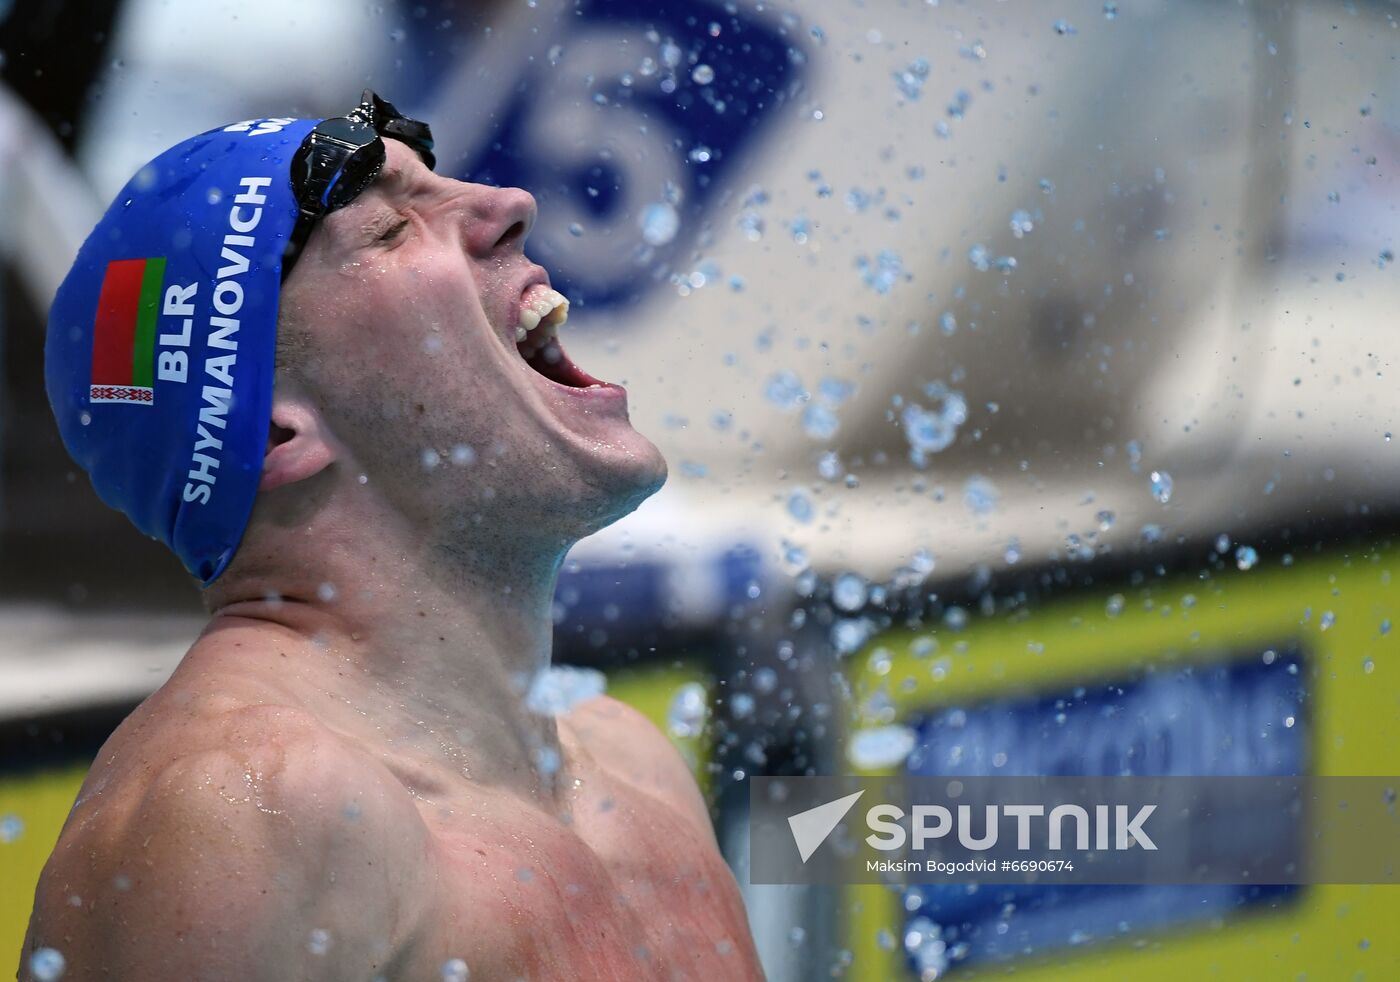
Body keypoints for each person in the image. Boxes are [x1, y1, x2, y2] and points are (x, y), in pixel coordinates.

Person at [22, 91, 764, 981]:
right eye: (390, 230)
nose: (509, 205)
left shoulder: (629, 763)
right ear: (269, 436)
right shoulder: (244, 816)